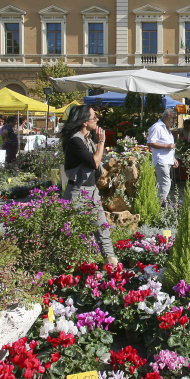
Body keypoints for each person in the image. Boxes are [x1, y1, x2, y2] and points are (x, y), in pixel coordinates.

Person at [59, 105, 117, 265]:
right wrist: (101, 142)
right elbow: (94, 162)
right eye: (94, 118)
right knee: (70, 231)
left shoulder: (86, 139)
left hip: (91, 191)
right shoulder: (75, 140)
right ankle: (66, 266)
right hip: (77, 192)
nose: (97, 120)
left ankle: (111, 263)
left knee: (102, 228)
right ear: (84, 122)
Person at [147, 108, 179, 202]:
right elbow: (150, 143)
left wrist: (173, 158)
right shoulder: (157, 127)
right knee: (166, 183)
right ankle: (160, 204)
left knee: (160, 184)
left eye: (174, 118)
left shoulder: (167, 129)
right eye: (172, 118)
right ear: (165, 117)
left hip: (166, 160)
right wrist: (167, 146)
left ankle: (155, 203)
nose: (174, 120)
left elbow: (169, 146)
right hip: (161, 160)